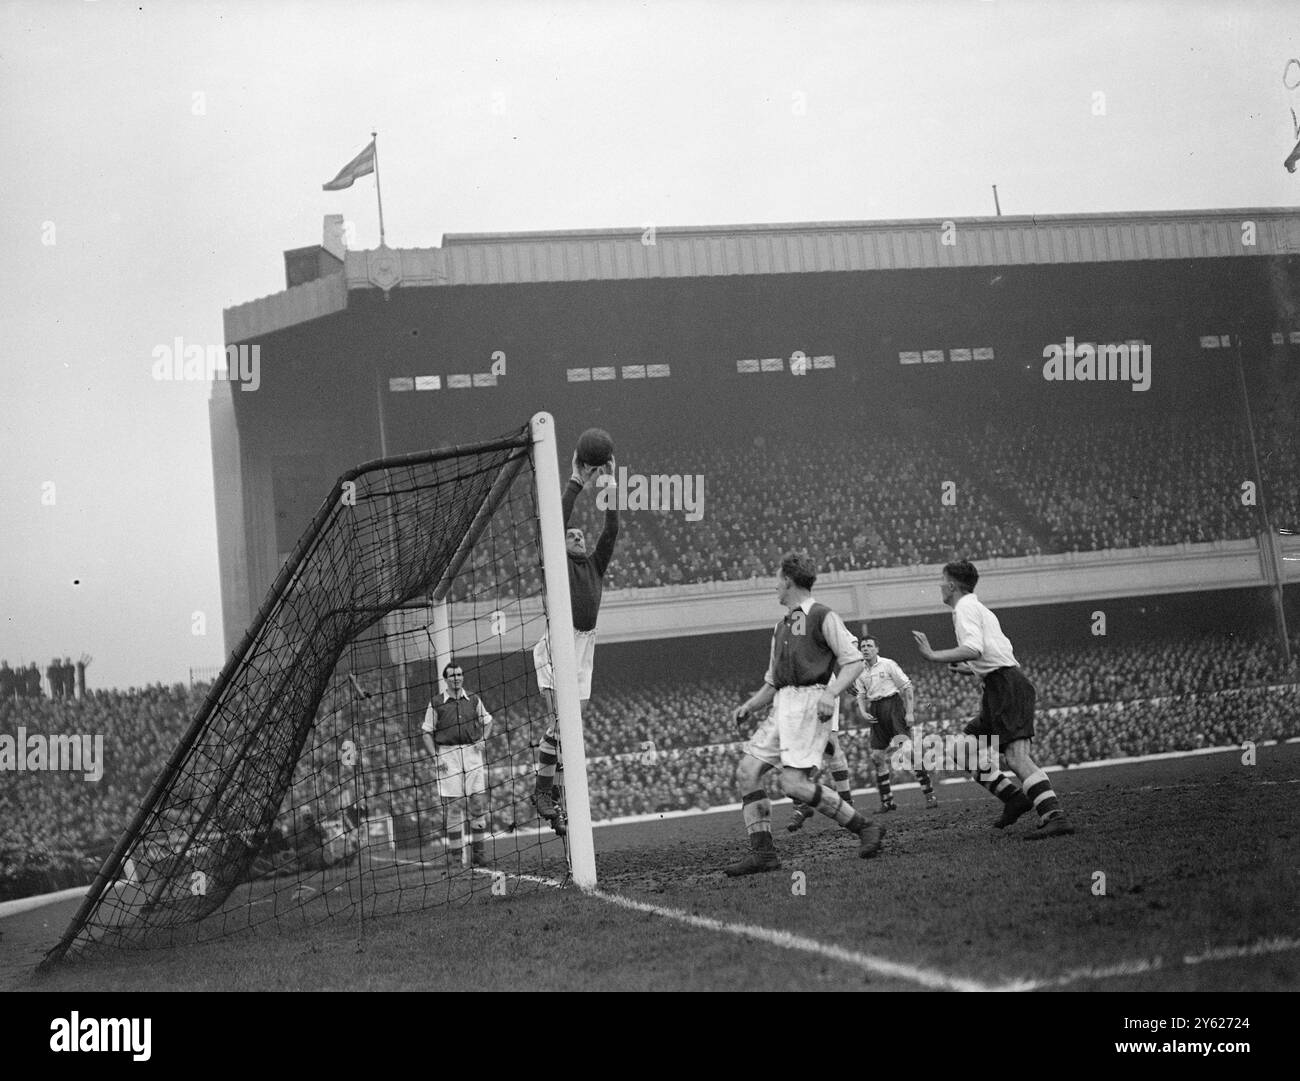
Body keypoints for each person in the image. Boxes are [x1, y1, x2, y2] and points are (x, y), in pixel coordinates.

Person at [725, 553, 883, 876]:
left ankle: (865, 826)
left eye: (777, 579)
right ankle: (763, 853)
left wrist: (830, 693)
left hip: (810, 704)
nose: (775, 586)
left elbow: (853, 661)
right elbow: (773, 681)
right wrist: (750, 706)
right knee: (747, 772)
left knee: (793, 784)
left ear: (788, 581)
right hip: (783, 704)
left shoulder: (823, 616)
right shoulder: (781, 626)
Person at [911, 559, 1074, 839]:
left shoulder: (965, 609)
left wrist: (933, 655)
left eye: (942, 580)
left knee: (1017, 758)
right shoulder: (978, 608)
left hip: (1006, 686)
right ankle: (1014, 798)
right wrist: (970, 670)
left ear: (951, 585)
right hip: (998, 686)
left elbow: (973, 648)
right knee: (962, 751)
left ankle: (1055, 816)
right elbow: (996, 651)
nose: (939, 585)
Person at [531, 450, 619, 835]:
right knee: (559, 722)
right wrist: (576, 482)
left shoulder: (596, 564)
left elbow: (611, 530)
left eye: (581, 534)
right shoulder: (560, 564)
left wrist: (610, 485)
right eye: (572, 534)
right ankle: (542, 792)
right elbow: (556, 524)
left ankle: (555, 803)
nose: (579, 536)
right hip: (557, 641)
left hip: (584, 645)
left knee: (569, 729)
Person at [423, 661, 495, 866]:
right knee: (454, 807)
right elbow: (426, 733)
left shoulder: (473, 699)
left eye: (460, 674)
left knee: (478, 804)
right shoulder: (436, 702)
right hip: (448, 755)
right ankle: (456, 859)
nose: (457, 678)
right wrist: (436, 757)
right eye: (453, 675)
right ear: (445, 679)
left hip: (472, 753)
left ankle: (479, 855)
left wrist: (483, 739)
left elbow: (488, 721)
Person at [854, 636, 938, 811]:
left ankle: (930, 794)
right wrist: (863, 711)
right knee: (876, 757)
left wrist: (908, 712)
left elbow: (907, 687)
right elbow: (860, 694)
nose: (866, 649)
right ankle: (887, 801)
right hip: (876, 710)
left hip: (893, 707)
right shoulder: (859, 670)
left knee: (908, 751)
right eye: (863, 646)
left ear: (877, 649)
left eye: (869, 646)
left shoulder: (888, 664)